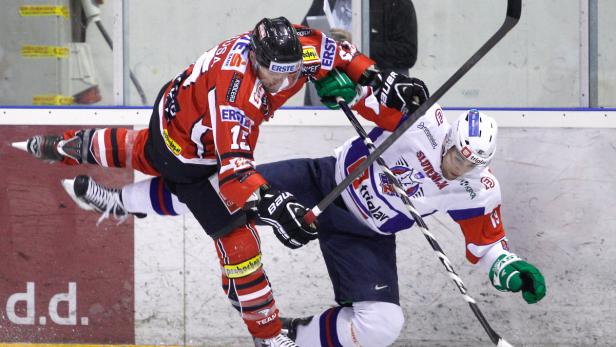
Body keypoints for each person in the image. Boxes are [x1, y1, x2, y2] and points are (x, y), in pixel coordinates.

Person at [46, 70, 545, 346]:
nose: (459, 166)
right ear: (453, 135)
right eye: (458, 153)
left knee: (383, 326)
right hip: (323, 181)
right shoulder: (422, 120)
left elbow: (488, 247)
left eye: (471, 162)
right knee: (220, 188)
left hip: (366, 233)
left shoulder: (477, 187)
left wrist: (512, 268)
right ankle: (120, 200)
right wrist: (340, 86)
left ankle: (289, 338)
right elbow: (368, 90)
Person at [12, 17, 429, 347]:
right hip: (190, 155)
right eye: (273, 76)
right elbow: (235, 178)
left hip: (176, 119)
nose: (282, 85)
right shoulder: (237, 98)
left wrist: (378, 79)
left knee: (139, 151)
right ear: (255, 60)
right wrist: (278, 207)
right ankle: (268, 339)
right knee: (239, 241)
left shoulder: (292, 47)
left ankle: (79, 165)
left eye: (291, 74)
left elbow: (339, 52)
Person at [303, 0, 418, 105]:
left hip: (375, 99)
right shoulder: (325, 1)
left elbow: (407, 53)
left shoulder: (397, 3)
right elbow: (301, 38)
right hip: (326, 95)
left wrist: (357, 43)